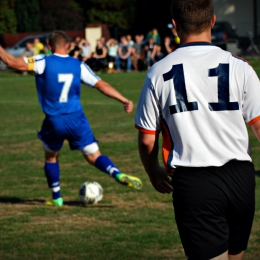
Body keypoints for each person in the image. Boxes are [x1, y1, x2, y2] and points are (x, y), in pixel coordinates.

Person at [135, 0, 260, 259]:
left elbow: (147, 140)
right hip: (241, 177)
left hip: (195, 182)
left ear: (175, 26)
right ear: (212, 21)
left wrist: (153, 172)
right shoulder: (241, 66)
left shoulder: (157, 72)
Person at [0, 30, 142, 207]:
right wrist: (124, 99)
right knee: (93, 156)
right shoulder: (78, 65)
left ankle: (57, 197)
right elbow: (101, 85)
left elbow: (11, 62)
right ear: (68, 46)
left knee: (51, 157)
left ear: (49, 47)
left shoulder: (43, 61)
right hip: (76, 119)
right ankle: (117, 174)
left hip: (54, 120)